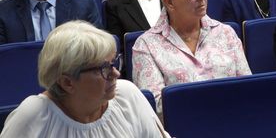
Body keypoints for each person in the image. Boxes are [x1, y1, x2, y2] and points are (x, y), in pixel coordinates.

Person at [0, 21, 169, 137]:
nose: (115, 73)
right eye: (103, 68)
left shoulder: (126, 94)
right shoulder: (33, 115)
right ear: (67, 82)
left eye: (113, 63)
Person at [132, 0, 251, 115]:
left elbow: (248, 89)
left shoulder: (226, 33)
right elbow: (157, 110)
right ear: (169, 2)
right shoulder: (146, 46)